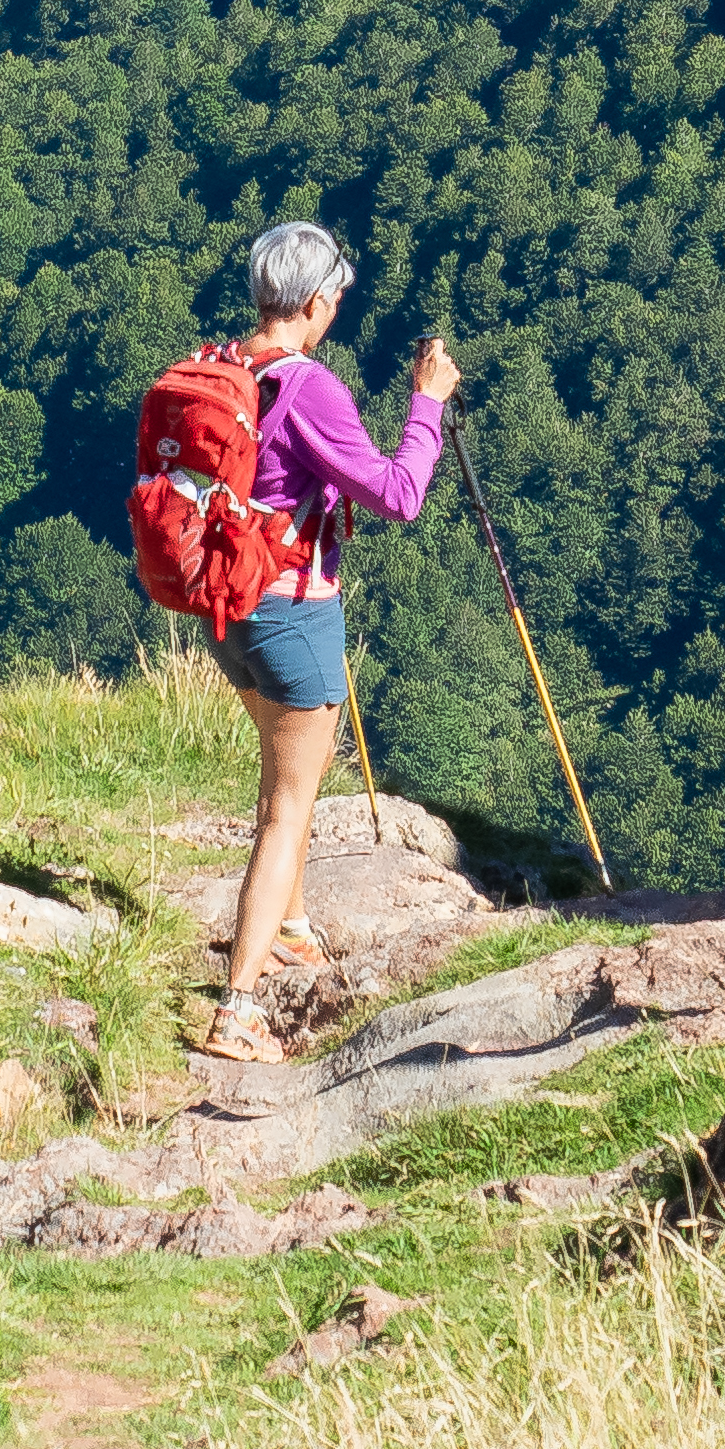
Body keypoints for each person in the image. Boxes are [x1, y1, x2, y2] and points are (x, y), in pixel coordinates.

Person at [203, 219, 454, 1063]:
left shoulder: (224, 369)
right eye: (337, 299)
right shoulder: (308, 387)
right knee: (288, 808)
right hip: (292, 612)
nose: (336, 311)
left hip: (225, 608)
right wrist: (429, 404)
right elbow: (397, 494)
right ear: (315, 301)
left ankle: (293, 928)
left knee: (284, 780)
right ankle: (236, 1008)